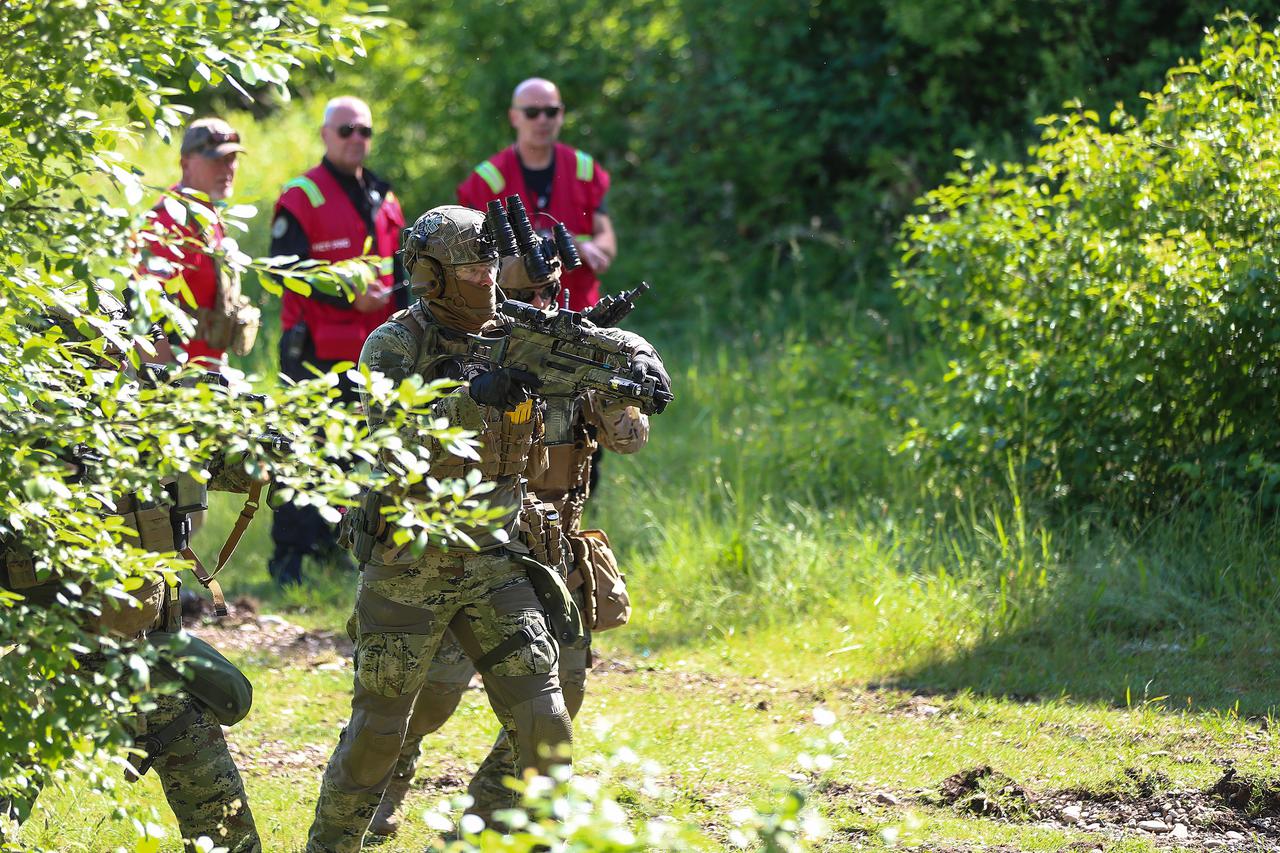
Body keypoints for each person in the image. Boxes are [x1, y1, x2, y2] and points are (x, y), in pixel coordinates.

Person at [305, 206, 572, 853]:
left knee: (545, 726)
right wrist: (473, 395)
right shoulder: (393, 343)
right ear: (429, 275)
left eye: (489, 263)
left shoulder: (512, 334)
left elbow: (574, 384)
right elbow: (394, 441)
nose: (485, 276)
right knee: (377, 737)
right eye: (471, 265)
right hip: (409, 564)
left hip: (494, 562)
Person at [366, 252, 657, 837]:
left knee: (560, 691)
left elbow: (628, 436)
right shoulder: (466, 350)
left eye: (551, 289)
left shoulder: (574, 353)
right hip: (479, 545)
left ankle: (492, 810)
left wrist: (625, 394)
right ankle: (382, 789)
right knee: (433, 693)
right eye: (528, 291)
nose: (543, 303)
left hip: (552, 549)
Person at [0, 299, 264, 852]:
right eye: (109, 349)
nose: (125, 359)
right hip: (43, 652)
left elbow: (243, 471)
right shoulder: (22, 434)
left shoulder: (149, 420)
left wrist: (243, 429)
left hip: (140, 648)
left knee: (213, 786)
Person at [268, 96, 406, 586]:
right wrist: (353, 299)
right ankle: (289, 564)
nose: (356, 139)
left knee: (362, 455)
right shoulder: (302, 196)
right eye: (346, 129)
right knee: (305, 454)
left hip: (378, 354)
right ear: (326, 135)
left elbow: (405, 274)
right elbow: (287, 275)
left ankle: (338, 555)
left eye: (364, 130)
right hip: (316, 352)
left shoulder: (385, 199)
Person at [456, 78, 614, 311]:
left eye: (550, 112)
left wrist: (587, 248)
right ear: (514, 117)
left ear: (561, 114)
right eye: (532, 112)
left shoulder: (584, 169)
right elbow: (466, 258)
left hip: (577, 310)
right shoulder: (485, 180)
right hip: (512, 316)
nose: (542, 120)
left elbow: (607, 242)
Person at [140, 117, 259, 370]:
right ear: (185, 164)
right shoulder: (167, 223)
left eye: (231, 160)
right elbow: (145, 311)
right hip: (179, 381)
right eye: (216, 160)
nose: (227, 169)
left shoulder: (206, 214)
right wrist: (160, 388)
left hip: (208, 372)